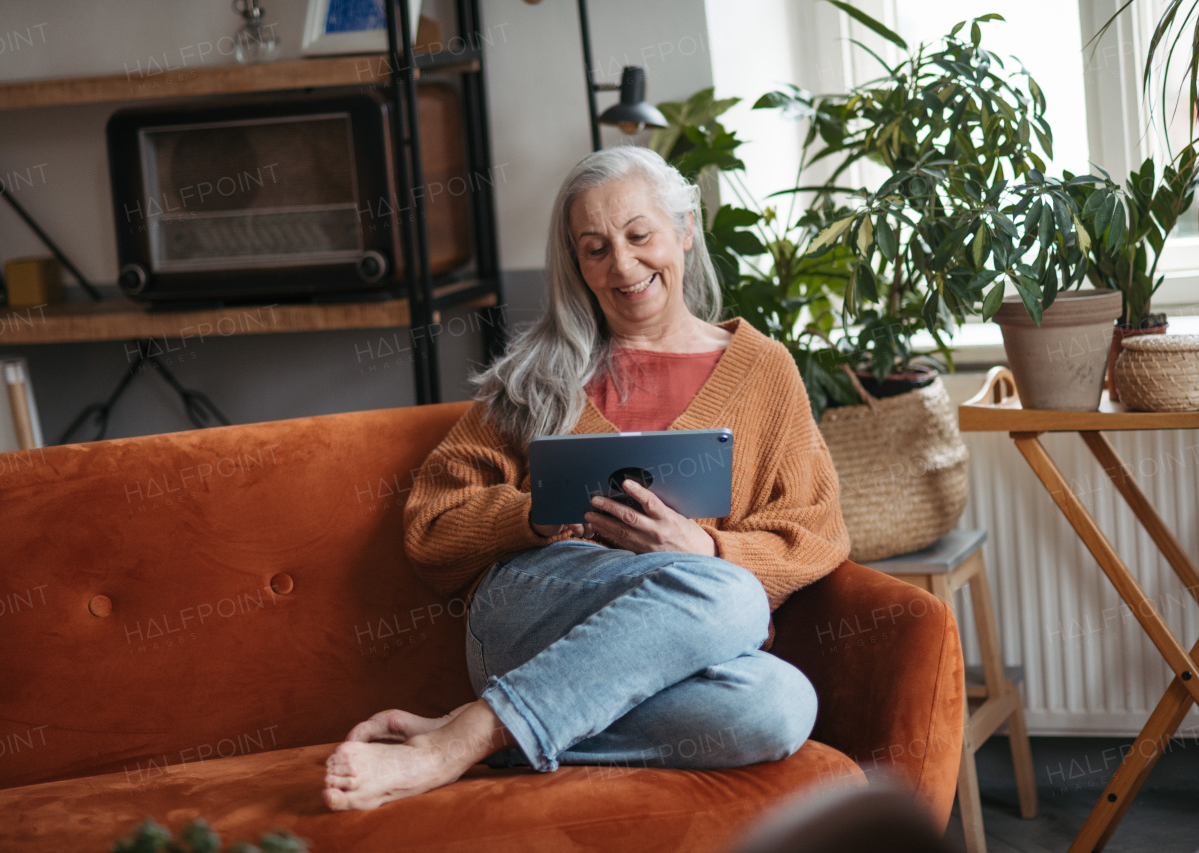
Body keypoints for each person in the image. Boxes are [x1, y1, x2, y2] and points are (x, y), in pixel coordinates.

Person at [323, 146, 849, 811]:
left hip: (668, 646)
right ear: (576, 263)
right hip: (526, 619)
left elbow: (817, 528)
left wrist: (710, 552)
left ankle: (481, 731)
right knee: (736, 599)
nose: (622, 266)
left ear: (685, 231)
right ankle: (456, 743)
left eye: (639, 235)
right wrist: (532, 517)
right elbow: (431, 526)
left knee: (779, 705)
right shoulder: (538, 374)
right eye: (594, 248)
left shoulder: (764, 371)